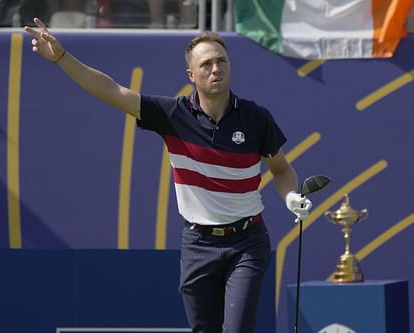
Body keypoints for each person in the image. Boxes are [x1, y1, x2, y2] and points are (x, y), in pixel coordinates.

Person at [24, 17, 312, 333]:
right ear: (191, 75)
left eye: (221, 61)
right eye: (206, 64)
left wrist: (290, 196)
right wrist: (63, 58)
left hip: (248, 241)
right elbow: (111, 90)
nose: (216, 69)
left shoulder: (256, 118)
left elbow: (281, 169)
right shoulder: (173, 115)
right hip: (198, 243)